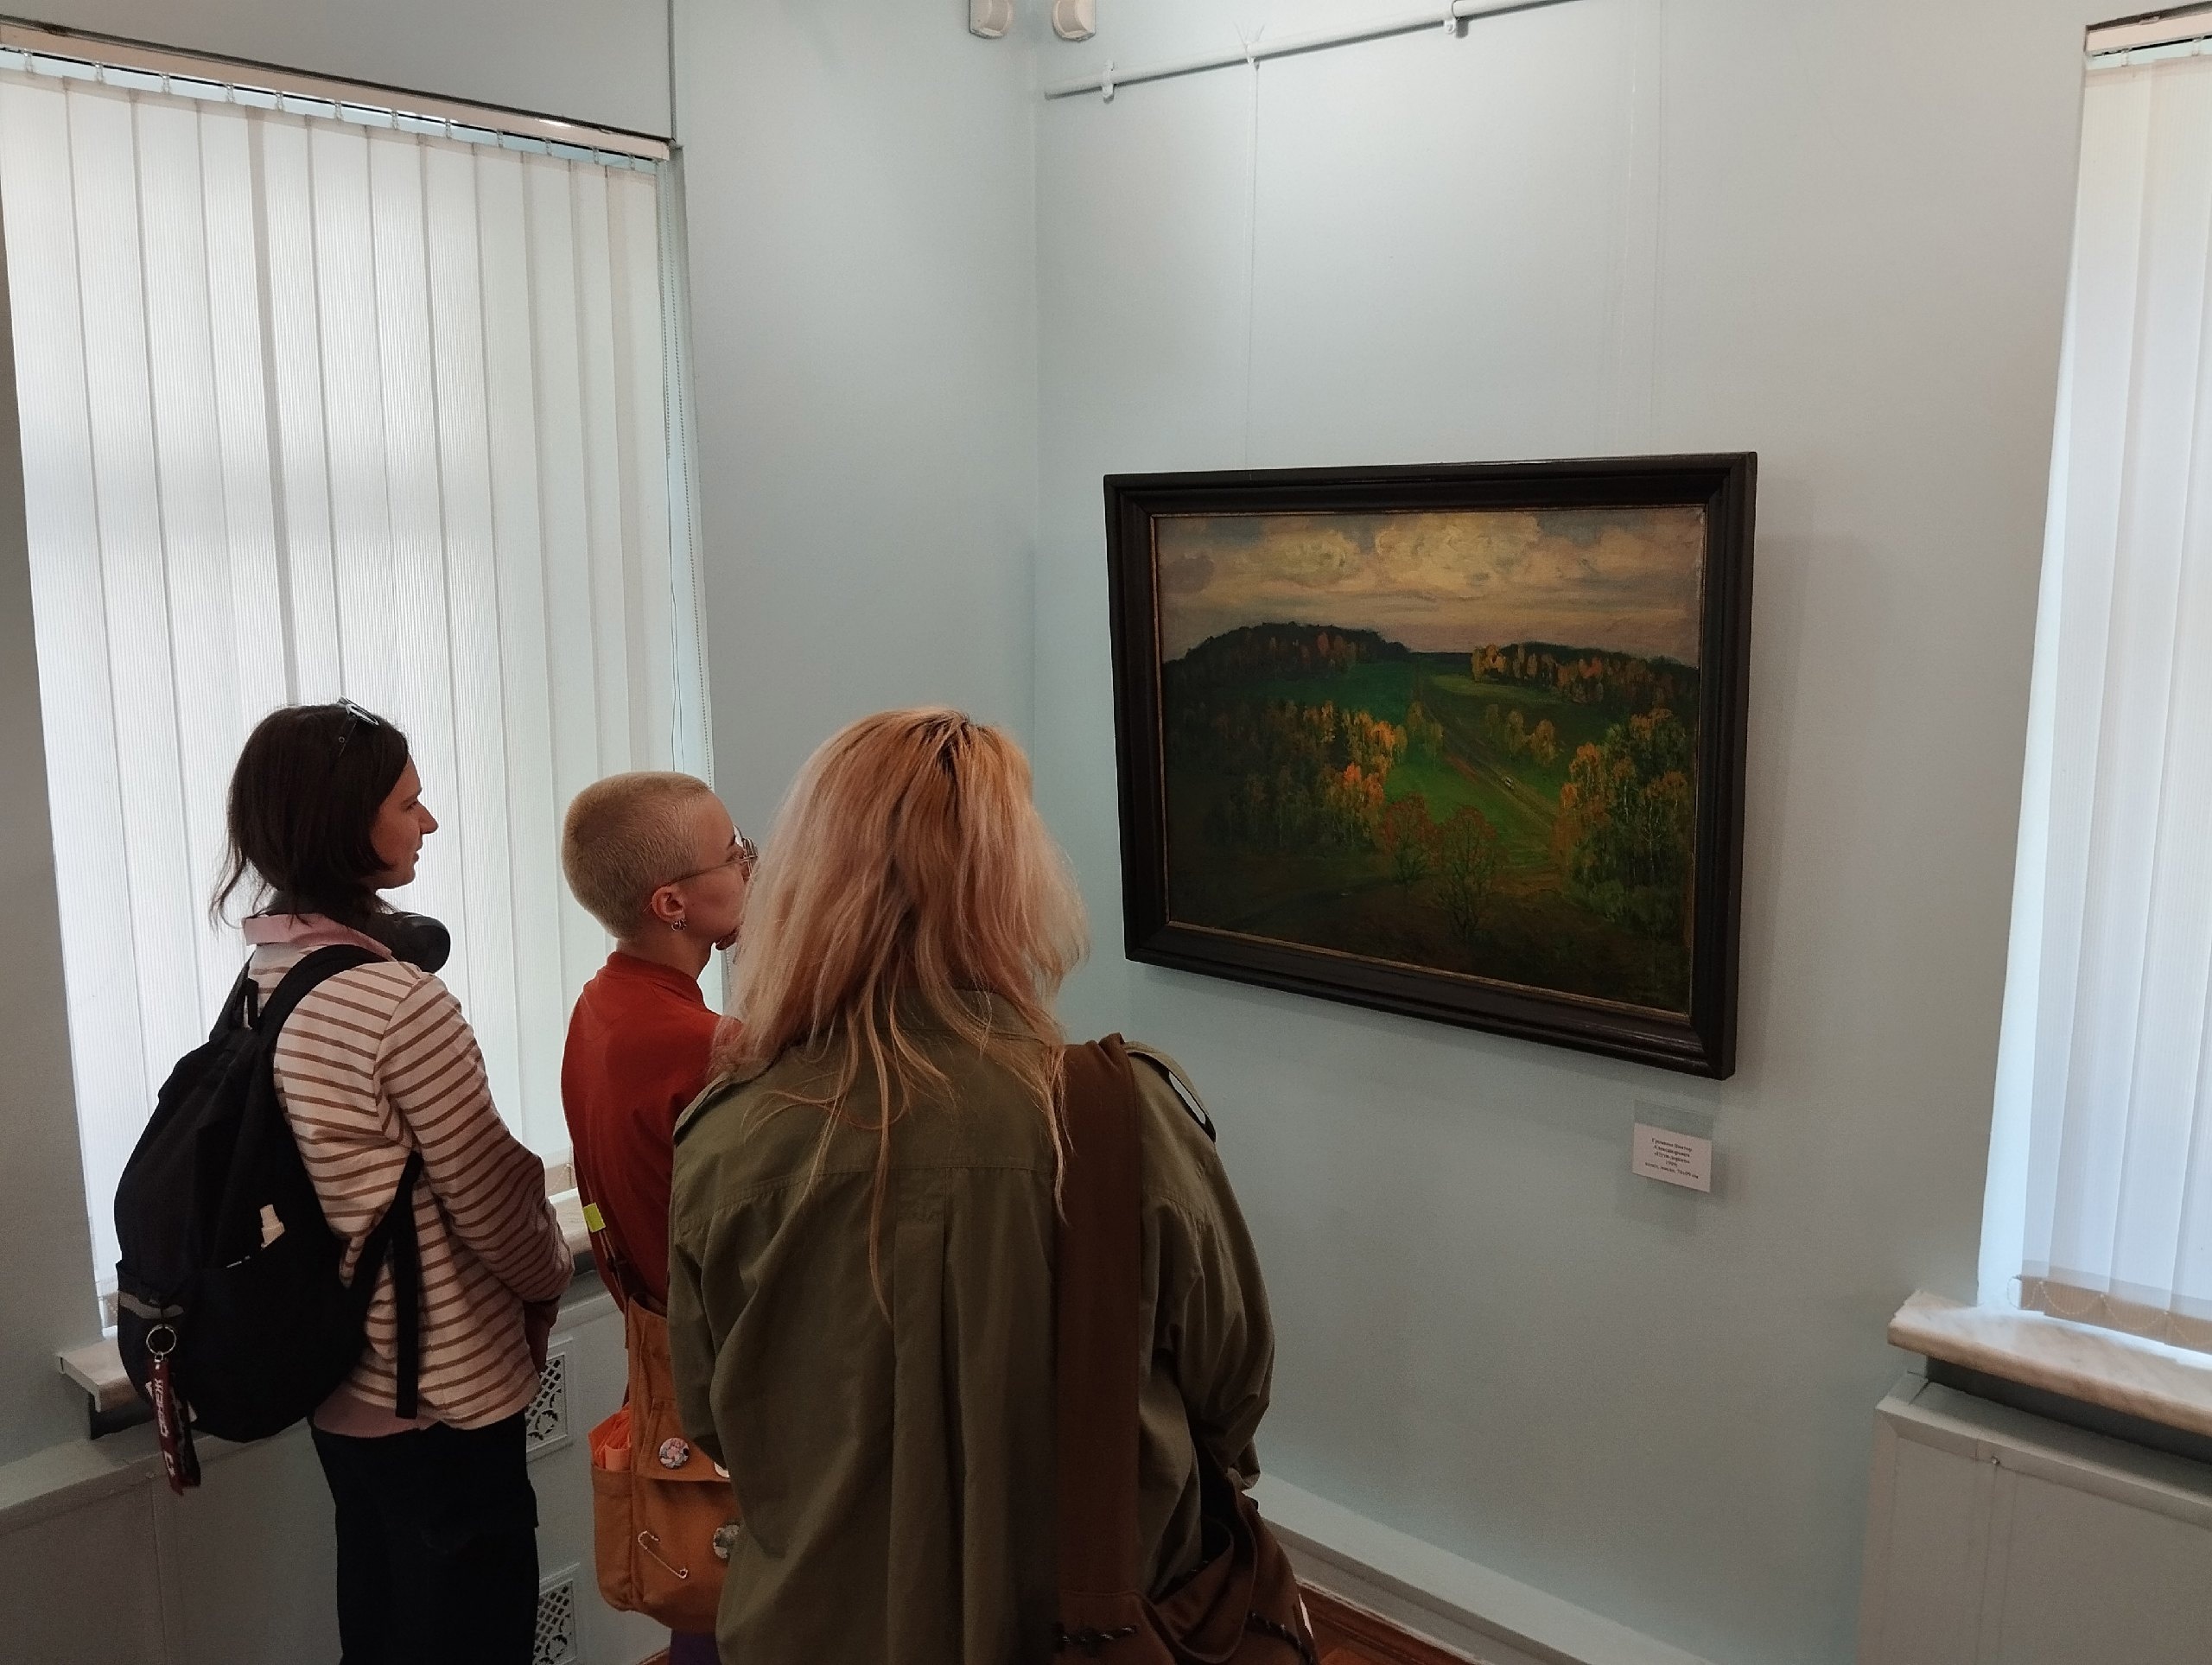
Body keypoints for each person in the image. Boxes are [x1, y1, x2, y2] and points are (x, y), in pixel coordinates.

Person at [667, 709, 1277, 1665]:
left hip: (817, 1629)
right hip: (1095, 1631)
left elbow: (714, 1415)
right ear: (1014, 881)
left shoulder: (724, 1138)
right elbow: (1231, 1393)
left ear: (804, 882)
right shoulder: (1124, 1117)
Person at [213, 701, 572, 1665]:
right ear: (345, 820)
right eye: (409, 803)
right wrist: (548, 1281)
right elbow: (494, 1197)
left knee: (381, 1630)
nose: (430, 821)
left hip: (340, 1384)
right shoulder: (394, 1001)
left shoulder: (267, 976)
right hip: (441, 1397)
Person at [560, 771, 753, 1665]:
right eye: (735, 853)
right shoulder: (707, 1045)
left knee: (699, 1558)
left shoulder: (600, 1003)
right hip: (717, 1347)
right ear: (672, 902)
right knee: (735, 1574)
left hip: (652, 1323)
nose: (749, 867)